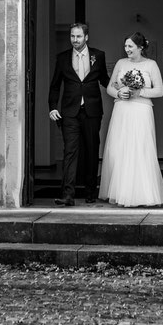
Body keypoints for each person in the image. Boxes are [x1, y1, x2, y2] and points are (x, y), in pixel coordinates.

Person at [99, 31, 163, 207]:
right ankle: (120, 192)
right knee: (120, 148)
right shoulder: (121, 63)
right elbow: (109, 87)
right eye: (125, 46)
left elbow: (159, 91)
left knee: (141, 148)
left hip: (141, 110)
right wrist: (119, 92)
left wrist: (139, 92)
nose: (126, 49)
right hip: (122, 110)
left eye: (130, 46)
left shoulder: (151, 65)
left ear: (140, 47)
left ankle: (143, 194)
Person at [48, 23, 110, 206]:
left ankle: (91, 193)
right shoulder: (62, 58)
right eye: (72, 37)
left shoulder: (98, 56)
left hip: (92, 111)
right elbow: (55, 85)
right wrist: (52, 107)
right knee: (70, 152)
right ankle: (68, 195)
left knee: (92, 151)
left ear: (86, 37)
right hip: (69, 112)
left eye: (79, 37)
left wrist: (120, 86)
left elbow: (104, 79)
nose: (75, 40)